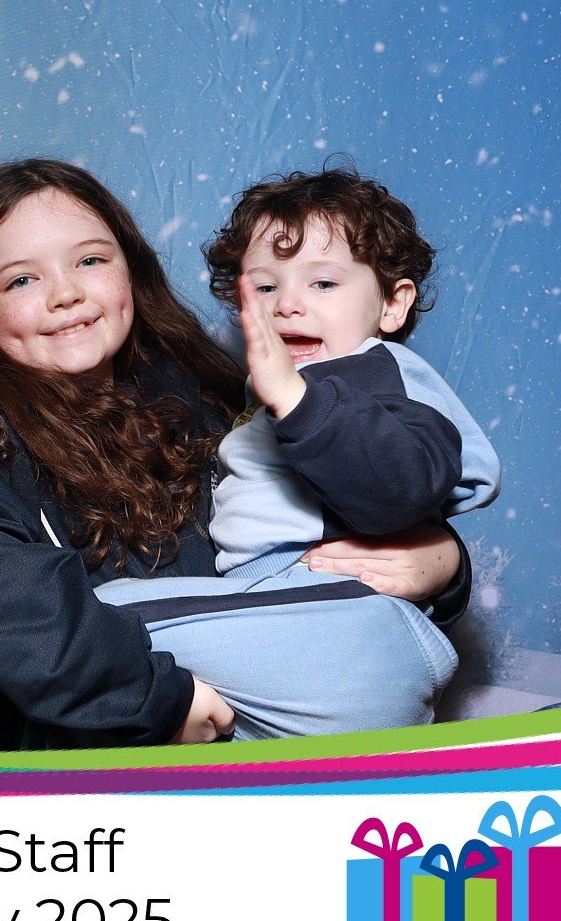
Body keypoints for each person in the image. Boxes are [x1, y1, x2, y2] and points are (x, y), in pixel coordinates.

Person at [0, 158, 471, 752]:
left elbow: (345, 493)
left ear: (131, 270)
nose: (65, 294)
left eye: (90, 261)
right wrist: (153, 700)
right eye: (21, 280)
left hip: (290, 735)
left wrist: (441, 559)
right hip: (109, 776)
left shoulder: (201, 382)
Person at [91, 167, 500, 739]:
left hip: (344, 622)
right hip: (294, 636)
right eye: (265, 287)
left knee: (100, 617)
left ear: (392, 305)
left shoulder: (376, 376)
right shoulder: (253, 400)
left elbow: (404, 485)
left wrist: (294, 398)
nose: (288, 305)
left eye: (323, 284)